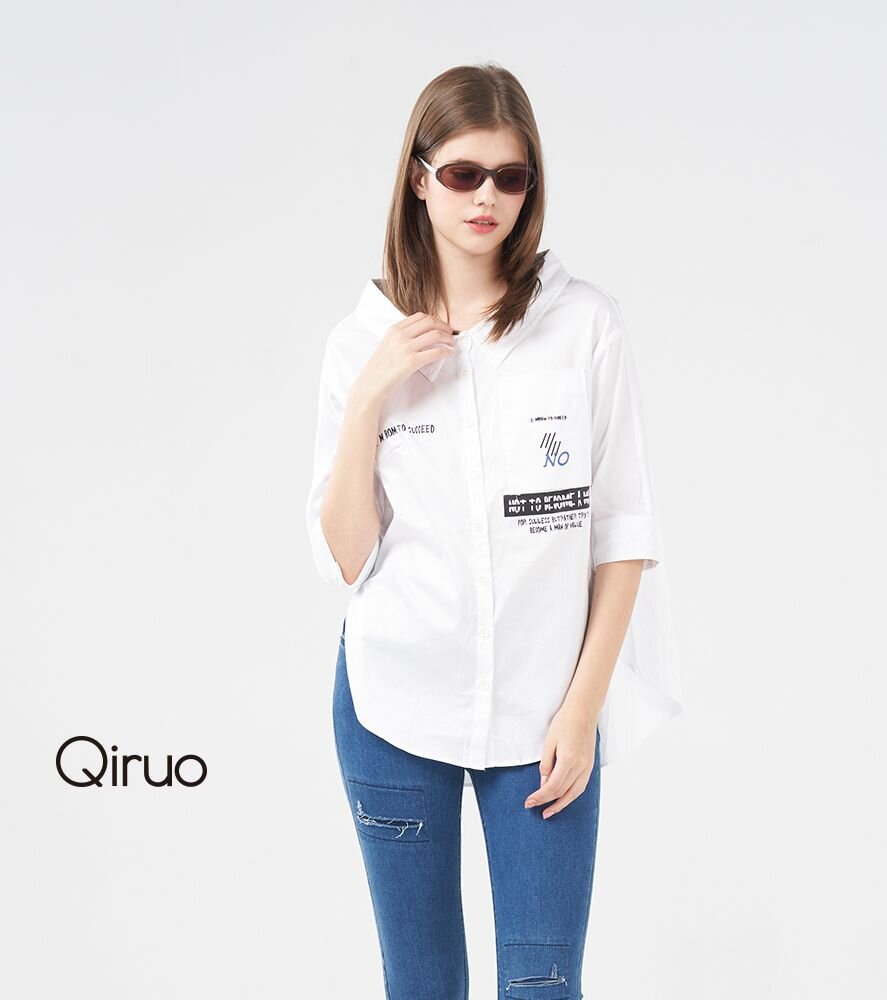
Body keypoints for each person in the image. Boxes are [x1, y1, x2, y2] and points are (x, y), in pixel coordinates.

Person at [305, 62, 685, 999]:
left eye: (510, 177)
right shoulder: (360, 345)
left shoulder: (583, 327)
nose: (487, 199)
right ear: (419, 177)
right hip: (394, 707)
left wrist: (582, 710)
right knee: (422, 984)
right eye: (464, 173)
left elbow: (622, 533)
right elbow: (348, 556)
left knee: (543, 986)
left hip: (544, 716)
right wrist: (369, 401)